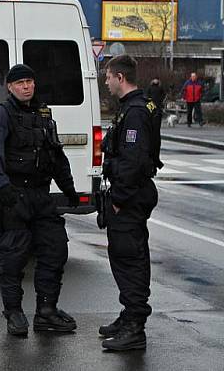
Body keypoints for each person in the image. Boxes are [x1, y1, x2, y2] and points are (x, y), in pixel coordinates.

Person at [0, 64, 79, 337]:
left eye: (30, 81)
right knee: (13, 258)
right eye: (20, 82)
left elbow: (56, 156)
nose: (27, 86)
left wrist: (69, 189)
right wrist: (2, 188)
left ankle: (46, 312)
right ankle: (14, 313)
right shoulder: (1, 114)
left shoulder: (43, 114)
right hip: (14, 196)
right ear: (10, 87)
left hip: (41, 195)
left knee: (55, 250)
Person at [99, 55, 162, 351]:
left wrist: (119, 199)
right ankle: (129, 316)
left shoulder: (135, 111)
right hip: (134, 193)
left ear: (120, 77)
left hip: (130, 196)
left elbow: (133, 160)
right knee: (129, 256)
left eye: (108, 76)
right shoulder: (137, 106)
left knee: (129, 258)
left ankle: (135, 327)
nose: (106, 82)